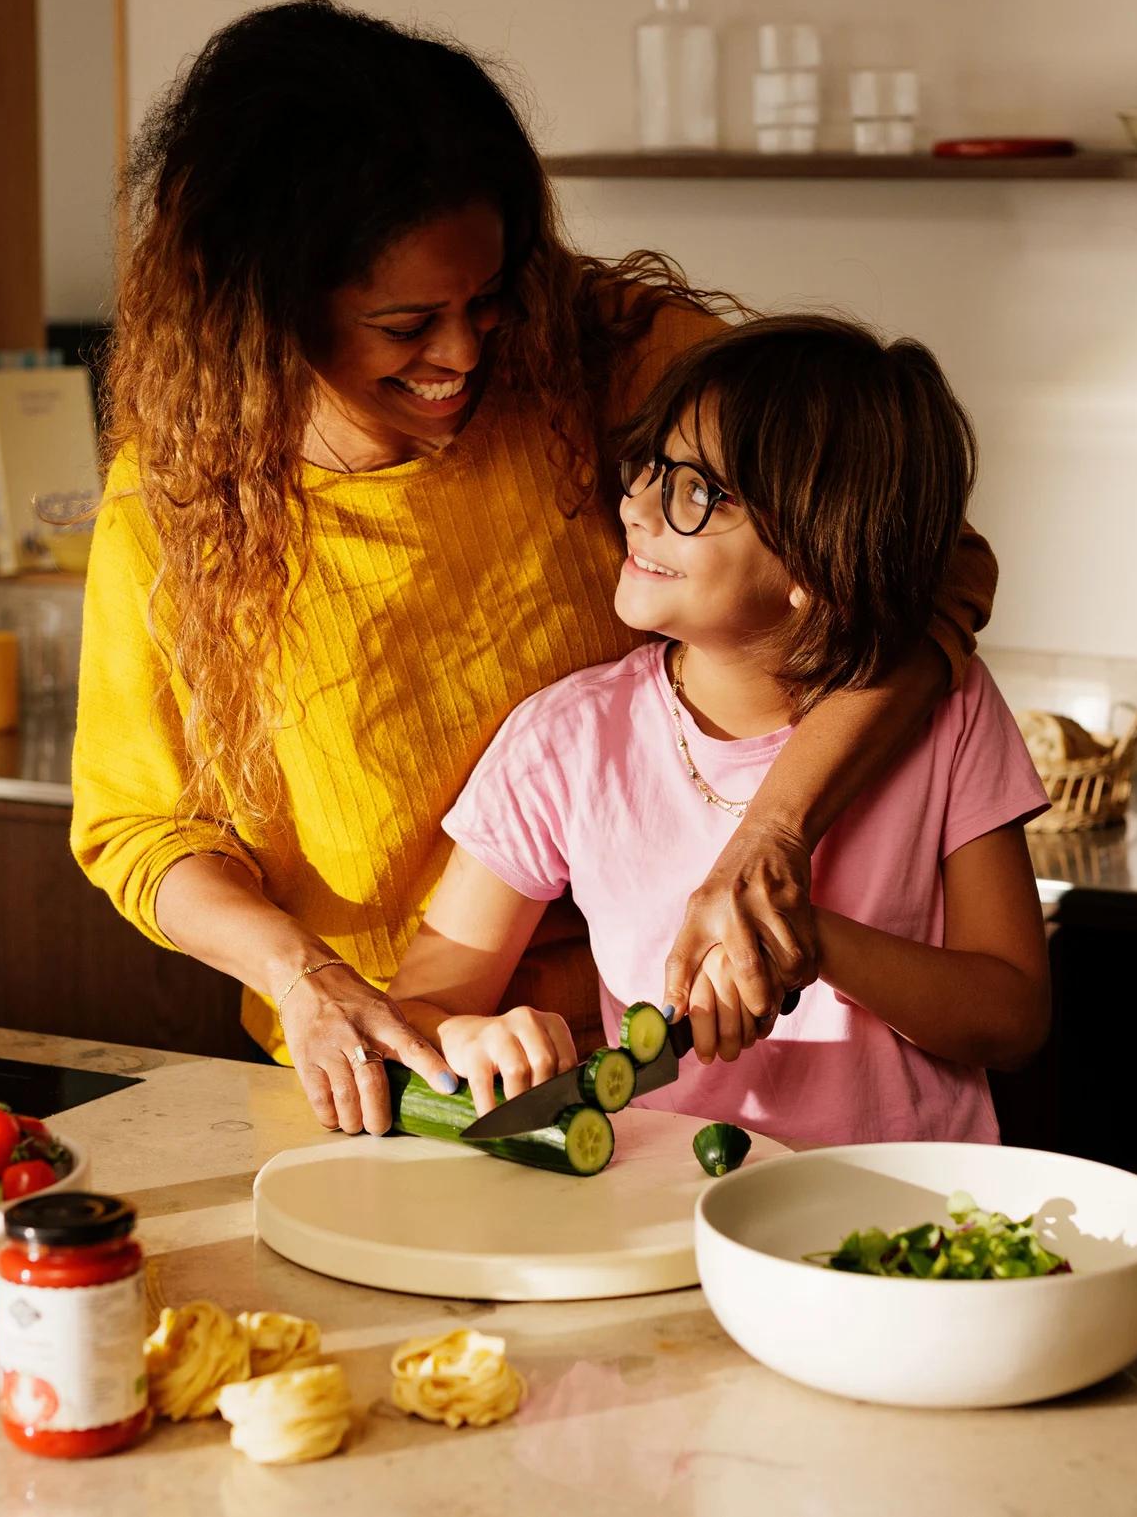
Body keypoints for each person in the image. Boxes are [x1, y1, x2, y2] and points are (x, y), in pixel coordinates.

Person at [69, 0, 1000, 1135]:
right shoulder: (180, 499)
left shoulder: (600, 351)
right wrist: (305, 979)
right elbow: (140, 827)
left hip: (668, 1085)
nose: (463, 355)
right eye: (408, 324)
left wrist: (776, 834)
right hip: (404, 1073)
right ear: (263, 311)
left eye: (488, 297)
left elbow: (917, 566)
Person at [388, 317, 1051, 1146]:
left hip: (904, 1218)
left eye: (696, 493)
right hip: (665, 1218)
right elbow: (424, 1006)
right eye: (649, 469)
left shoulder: (948, 711)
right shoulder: (568, 739)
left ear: (816, 560)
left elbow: (1012, 1015)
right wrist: (473, 1037)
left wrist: (812, 940)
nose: (635, 508)